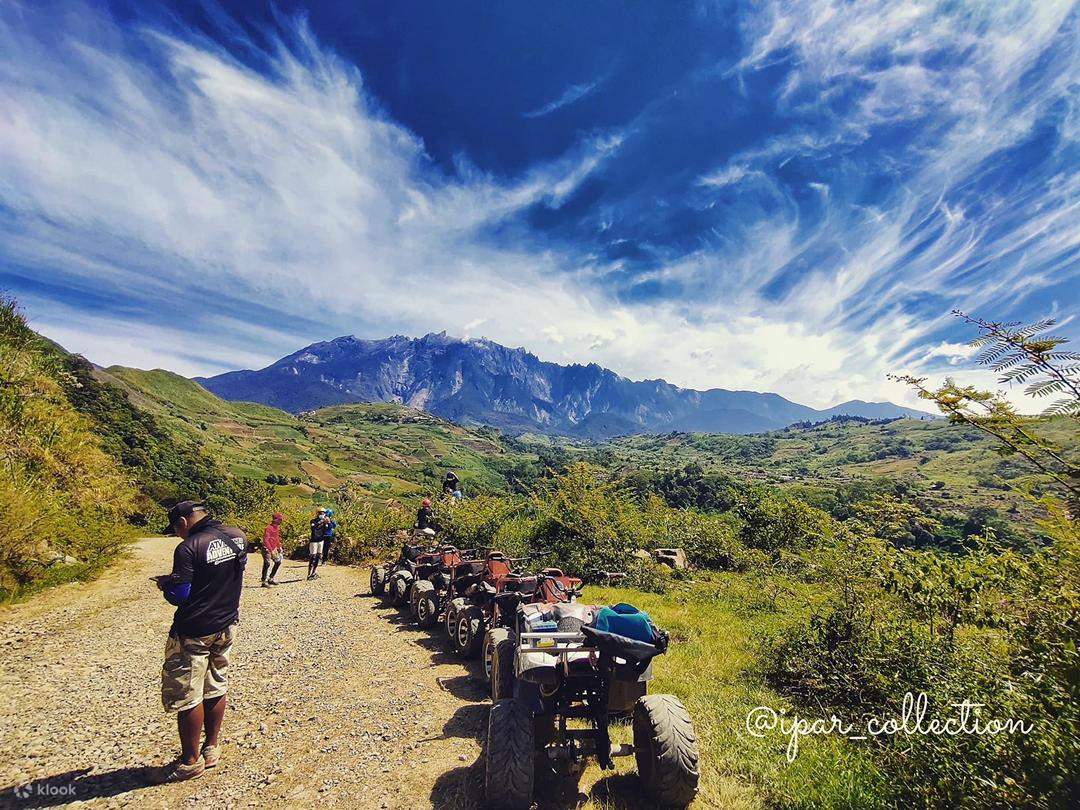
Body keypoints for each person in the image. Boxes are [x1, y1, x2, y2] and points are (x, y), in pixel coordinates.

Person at [153, 500, 253, 783]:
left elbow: (181, 595)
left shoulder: (188, 547)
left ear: (183, 522)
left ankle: (189, 762)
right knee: (217, 683)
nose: (177, 534)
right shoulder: (238, 536)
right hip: (226, 623)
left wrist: (165, 586)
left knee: (188, 694)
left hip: (194, 630)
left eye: (176, 528)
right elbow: (229, 575)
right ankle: (211, 747)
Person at [261, 513, 284, 587]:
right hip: (266, 549)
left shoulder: (277, 527)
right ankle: (264, 581)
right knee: (267, 564)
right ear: (276, 520)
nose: (281, 521)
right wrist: (271, 551)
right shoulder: (268, 528)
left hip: (273, 548)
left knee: (278, 562)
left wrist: (279, 546)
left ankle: (271, 578)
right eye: (280, 519)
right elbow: (266, 540)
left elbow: (276, 538)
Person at [308, 507, 327, 580]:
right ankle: (309, 574)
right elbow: (313, 528)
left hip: (321, 540)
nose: (322, 514)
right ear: (317, 513)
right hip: (314, 541)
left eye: (323, 513)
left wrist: (327, 523)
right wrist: (321, 522)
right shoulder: (313, 521)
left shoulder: (324, 522)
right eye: (321, 513)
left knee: (318, 556)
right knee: (312, 556)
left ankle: (314, 572)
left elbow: (328, 529)